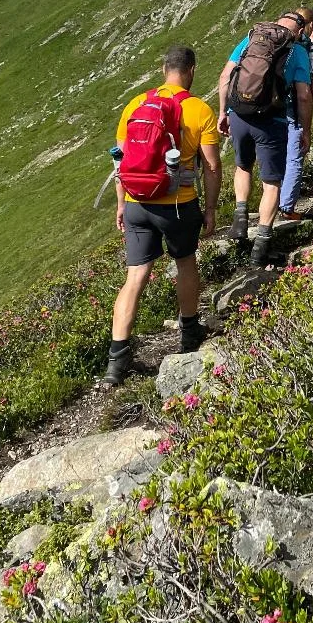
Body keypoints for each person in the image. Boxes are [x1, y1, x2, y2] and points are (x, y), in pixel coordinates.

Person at [101, 45, 222, 388]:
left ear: (163, 68)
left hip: (138, 202)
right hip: (179, 205)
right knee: (185, 262)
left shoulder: (137, 104)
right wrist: (211, 209)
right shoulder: (198, 109)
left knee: (135, 276)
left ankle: (116, 361)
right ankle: (188, 333)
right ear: (192, 70)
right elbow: (211, 166)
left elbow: (120, 160)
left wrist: (122, 203)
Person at [218, 11, 313, 266]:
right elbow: (303, 96)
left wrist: (223, 112)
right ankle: (261, 247)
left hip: (239, 115)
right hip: (272, 121)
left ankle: (240, 218)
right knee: (271, 183)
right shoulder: (298, 52)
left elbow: (225, 77)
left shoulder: (251, 40)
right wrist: (305, 129)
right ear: (300, 31)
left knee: (242, 166)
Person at [278, 9, 313, 221]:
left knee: (275, 155)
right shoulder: (312, 51)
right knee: (295, 156)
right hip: (295, 108)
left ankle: (270, 200)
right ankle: (287, 207)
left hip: (271, 107)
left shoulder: (274, 42)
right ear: (312, 25)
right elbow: (312, 90)